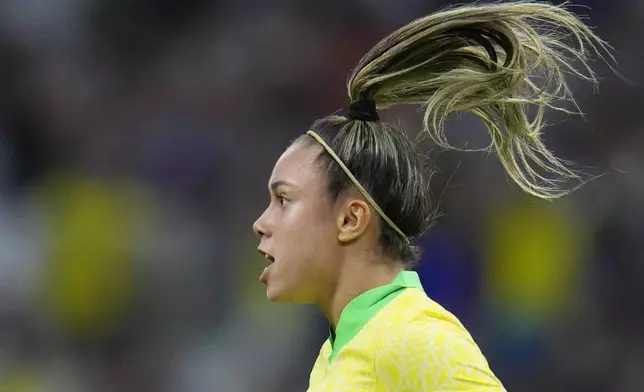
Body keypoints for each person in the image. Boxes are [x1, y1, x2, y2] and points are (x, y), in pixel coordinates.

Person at [252, 2, 613, 391]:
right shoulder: (338, 352)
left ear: (351, 219)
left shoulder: (412, 341)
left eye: (284, 200)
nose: (260, 223)